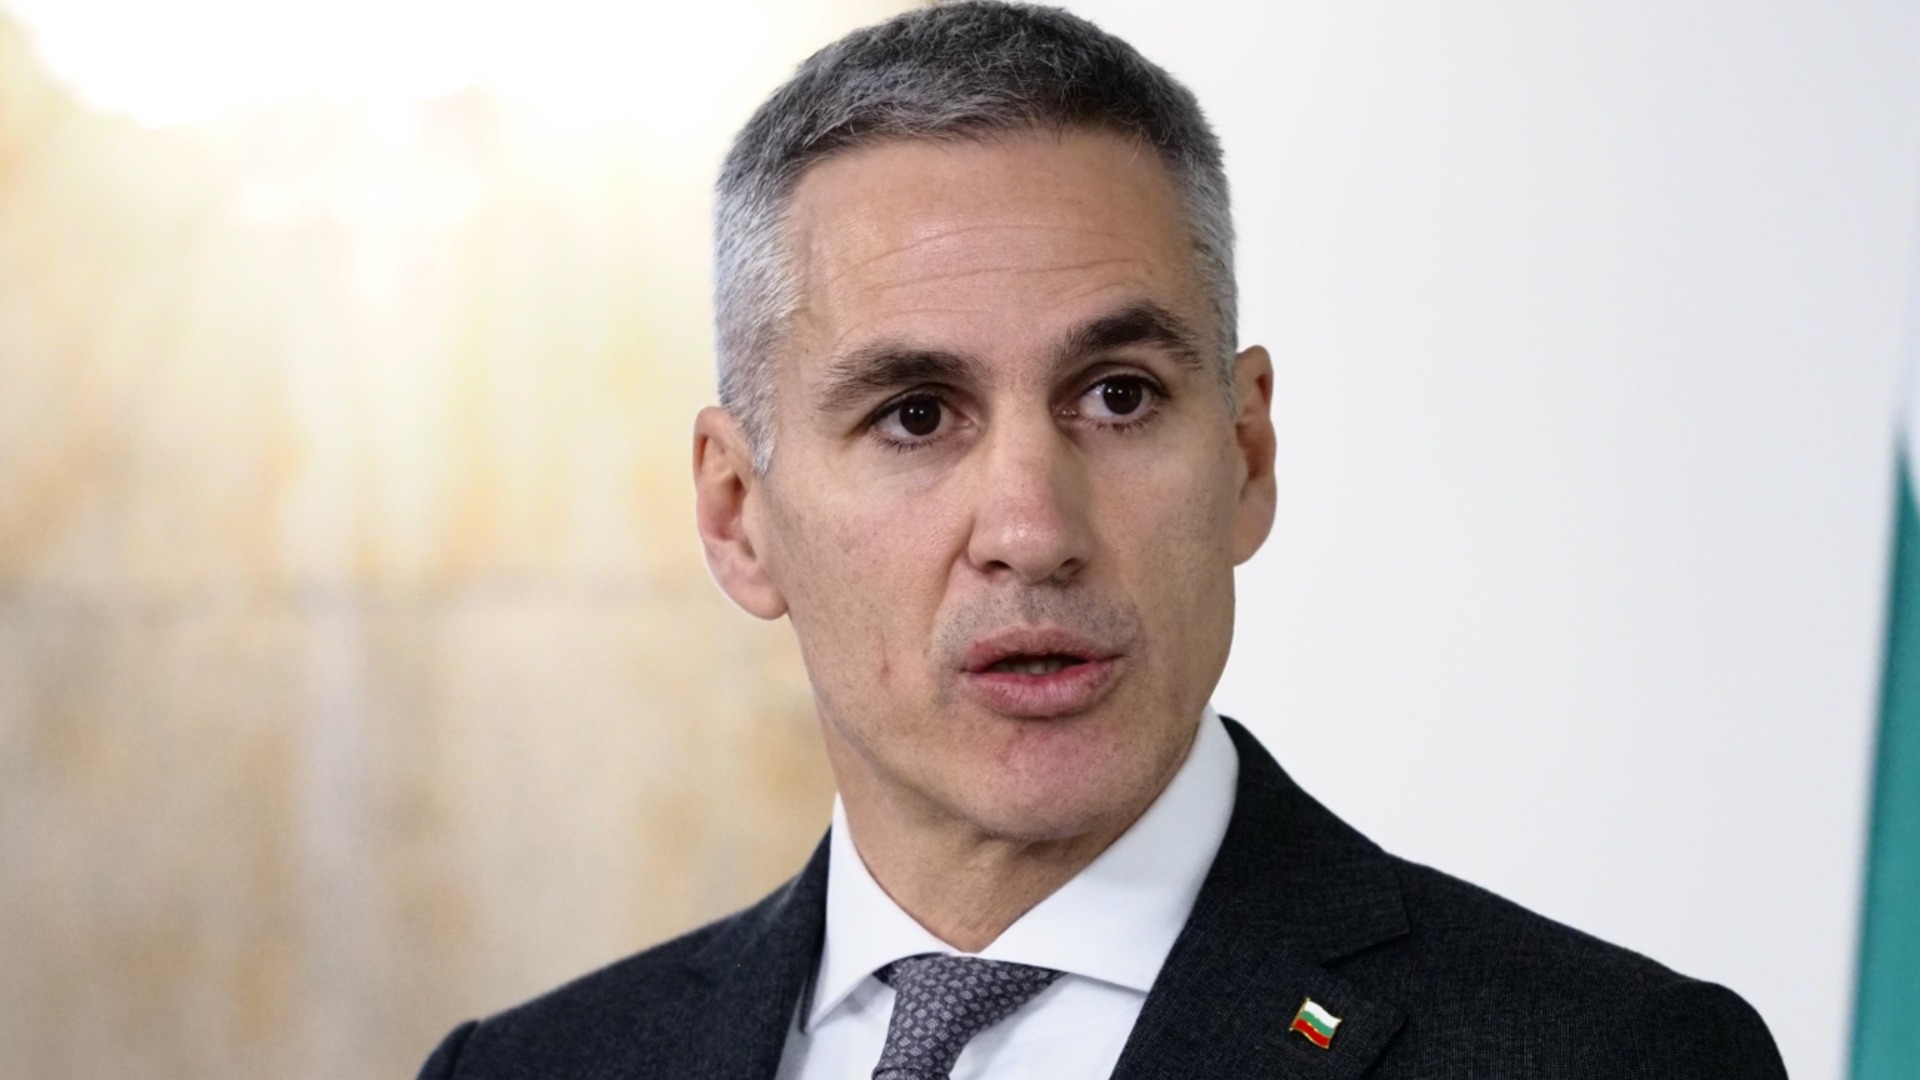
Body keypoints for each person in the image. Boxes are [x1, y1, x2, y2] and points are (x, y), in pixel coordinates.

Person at [417, 4, 1788, 1077]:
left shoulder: (1611, 1058)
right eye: (915, 415)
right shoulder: (526, 1070)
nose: (1032, 530)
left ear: (1247, 455)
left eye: (1118, 397)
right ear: (737, 515)